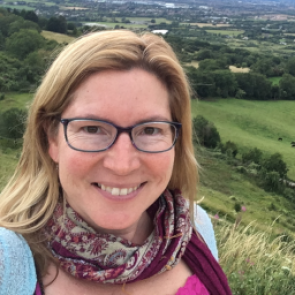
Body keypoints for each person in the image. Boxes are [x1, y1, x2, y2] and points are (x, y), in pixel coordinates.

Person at [0, 30, 232, 295]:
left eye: (150, 130)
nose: (122, 165)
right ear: (51, 139)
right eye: (92, 129)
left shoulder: (194, 227)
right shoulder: (7, 263)